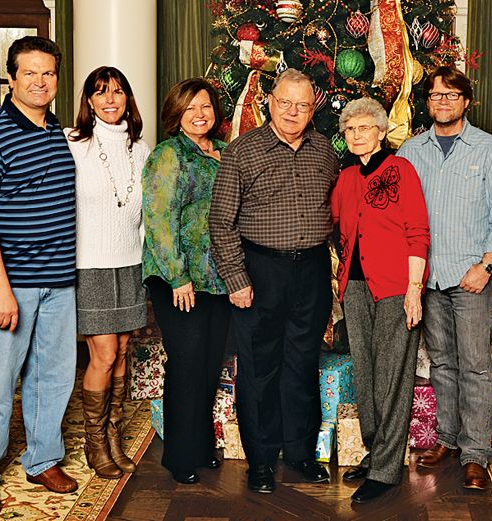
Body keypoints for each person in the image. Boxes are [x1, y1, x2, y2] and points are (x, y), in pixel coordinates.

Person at [0, 36, 78, 515]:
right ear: (11, 78)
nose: (39, 82)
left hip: (58, 282)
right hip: (8, 284)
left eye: (48, 73)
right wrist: (1, 291)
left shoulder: (56, 132)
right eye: (29, 73)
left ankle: (42, 458)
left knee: (52, 377)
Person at [210, 69, 339, 494]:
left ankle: (300, 454)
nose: (293, 112)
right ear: (270, 102)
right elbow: (221, 221)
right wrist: (236, 278)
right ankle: (262, 461)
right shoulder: (243, 152)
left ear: (312, 108)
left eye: (303, 105)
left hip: (313, 270)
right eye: (285, 103)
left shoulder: (324, 151)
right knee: (260, 368)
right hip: (260, 271)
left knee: (302, 364)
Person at [397, 65, 492, 490]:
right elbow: (400, 218)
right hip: (427, 278)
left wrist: (486, 267)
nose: (443, 101)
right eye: (435, 95)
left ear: (466, 101)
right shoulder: (410, 152)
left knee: (476, 367)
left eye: (451, 94)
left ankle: (476, 454)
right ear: (427, 102)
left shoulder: (489, 149)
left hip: (471, 279)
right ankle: (447, 438)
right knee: (443, 363)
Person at [331, 97, 430, 503]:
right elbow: (335, 226)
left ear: (381, 130)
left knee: (392, 376)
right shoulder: (346, 177)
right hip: (355, 289)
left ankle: (387, 470)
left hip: (394, 289)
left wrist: (413, 290)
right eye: (350, 129)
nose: (356, 135)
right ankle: (376, 452)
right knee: (367, 374)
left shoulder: (400, 170)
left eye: (364, 128)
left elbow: (418, 232)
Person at [142, 78, 231, 484]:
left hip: (216, 279)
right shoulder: (168, 155)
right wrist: (178, 277)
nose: (200, 114)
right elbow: (160, 221)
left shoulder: (224, 152)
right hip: (179, 280)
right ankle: (179, 455)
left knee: (210, 364)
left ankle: (200, 446)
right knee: (187, 365)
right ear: (176, 114)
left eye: (207, 107)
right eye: (191, 107)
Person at [65, 66, 150, 479]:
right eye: (101, 93)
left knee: (123, 352)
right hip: (91, 264)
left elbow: (145, 216)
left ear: (127, 98)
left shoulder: (142, 148)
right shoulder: (72, 144)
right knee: (103, 353)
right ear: (90, 101)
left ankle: (113, 436)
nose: (111, 100)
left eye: (118, 91)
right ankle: (94, 443)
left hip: (130, 263)